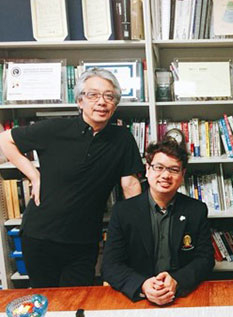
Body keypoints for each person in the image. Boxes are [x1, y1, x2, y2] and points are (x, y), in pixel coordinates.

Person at [0, 68, 144, 287]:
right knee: (48, 303)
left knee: (78, 301)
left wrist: (137, 229)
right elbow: (4, 140)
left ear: (115, 104)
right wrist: (34, 175)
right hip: (39, 235)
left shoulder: (122, 138)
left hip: (83, 241)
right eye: (93, 95)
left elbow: (131, 184)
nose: (101, 102)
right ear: (80, 101)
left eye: (109, 96)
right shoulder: (56, 128)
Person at [102, 138, 215, 304]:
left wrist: (177, 281)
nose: (165, 175)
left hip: (182, 295)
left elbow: (205, 259)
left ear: (183, 174)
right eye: (159, 168)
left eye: (173, 169)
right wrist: (143, 285)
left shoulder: (196, 210)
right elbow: (111, 265)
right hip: (138, 297)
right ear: (147, 170)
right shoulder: (124, 212)